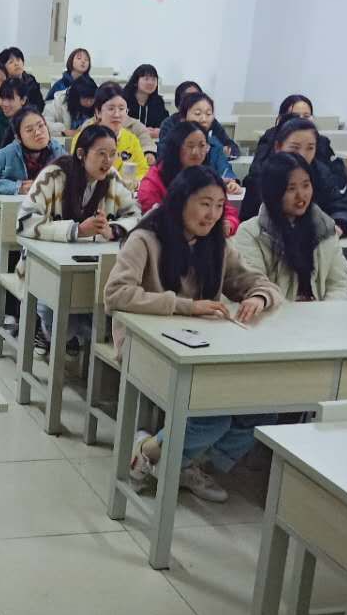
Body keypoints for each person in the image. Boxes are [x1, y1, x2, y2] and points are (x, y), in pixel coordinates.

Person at [103, 166, 281, 502]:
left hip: (202, 346)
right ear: (181, 200)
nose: (212, 214)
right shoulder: (146, 239)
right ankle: (167, 456)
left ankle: (167, 457)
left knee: (262, 410)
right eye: (204, 204)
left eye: (219, 206)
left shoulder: (216, 243)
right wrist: (187, 306)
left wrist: (258, 297)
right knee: (213, 419)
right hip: (144, 344)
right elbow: (116, 294)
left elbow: (256, 282)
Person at [234, 153, 347, 301]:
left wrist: (326, 310)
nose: (301, 195)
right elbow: (253, 287)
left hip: (320, 312)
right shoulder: (251, 233)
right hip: (274, 312)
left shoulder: (325, 227)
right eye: (291, 188)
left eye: (306, 185)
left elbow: (339, 284)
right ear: (273, 192)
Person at [17, 124, 139, 244]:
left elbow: (136, 216)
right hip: (47, 254)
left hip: (93, 254)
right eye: (101, 153)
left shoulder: (112, 177)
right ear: (81, 153)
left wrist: (113, 230)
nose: (108, 160)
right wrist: (77, 230)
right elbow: (24, 222)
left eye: (112, 154)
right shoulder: (53, 175)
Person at [240, 118, 347, 236]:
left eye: (310, 148)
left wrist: (339, 224)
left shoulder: (322, 173)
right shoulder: (260, 175)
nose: (303, 154)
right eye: (295, 148)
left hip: (314, 237)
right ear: (278, 147)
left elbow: (339, 206)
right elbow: (248, 220)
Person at [136, 115, 242, 233]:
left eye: (202, 146)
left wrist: (228, 224)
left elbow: (229, 212)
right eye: (190, 146)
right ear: (176, 147)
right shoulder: (154, 181)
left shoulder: (206, 176)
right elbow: (153, 220)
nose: (196, 152)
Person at [0, 108, 67, 195]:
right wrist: (16, 187)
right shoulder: (8, 153)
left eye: (41, 126)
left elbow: (73, 176)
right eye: (29, 130)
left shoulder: (57, 150)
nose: (38, 132)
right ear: (18, 138)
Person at [70, 82, 148, 183]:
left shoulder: (131, 140)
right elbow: (78, 171)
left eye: (121, 109)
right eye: (111, 109)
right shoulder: (83, 138)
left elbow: (143, 171)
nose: (117, 114)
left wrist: (133, 183)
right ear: (98, 112)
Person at [158, 82, 239, 164]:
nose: (194, 100)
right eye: (188, 98)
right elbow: (163, 154)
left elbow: (230, 145)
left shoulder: (210, 121)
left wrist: (228, 150)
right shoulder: (170, 124)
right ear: (179, 105)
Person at [124, 64, 168, 128]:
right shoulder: (123, 100)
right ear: (136, 81)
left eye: (153, 79)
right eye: (146, 79)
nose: (150, 83)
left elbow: (165, 124)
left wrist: (159, 130)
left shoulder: (158, 102)